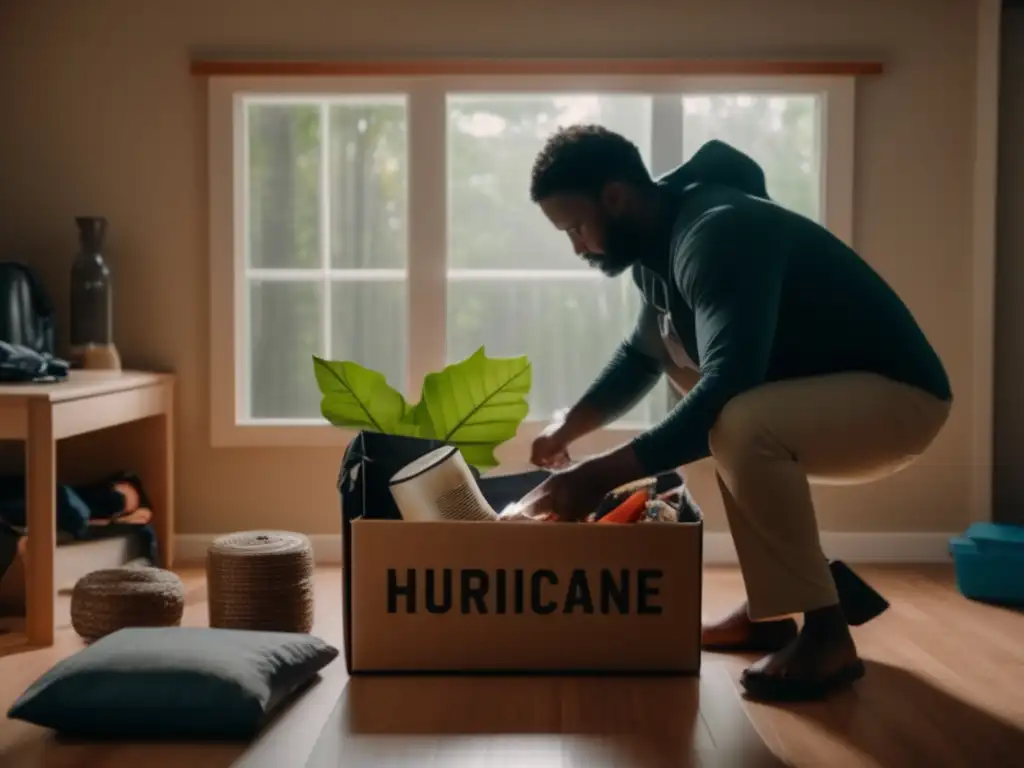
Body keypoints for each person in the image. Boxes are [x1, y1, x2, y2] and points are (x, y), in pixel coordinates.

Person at [524, 125, 952, 701]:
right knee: (702, 406)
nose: (576, 246)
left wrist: (598, 474)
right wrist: (566, 428)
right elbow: (643, 355)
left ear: (616, 197)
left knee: (733, 420)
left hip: (902, 398)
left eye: (575, 226)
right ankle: (771, 609)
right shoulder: (659, 247)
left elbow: (728, 386)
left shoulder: (717, 232)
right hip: (831, 392)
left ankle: (828, 636)